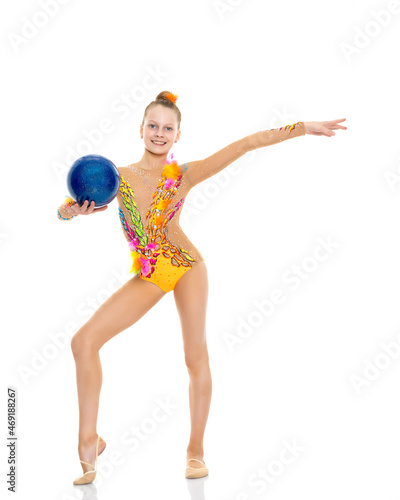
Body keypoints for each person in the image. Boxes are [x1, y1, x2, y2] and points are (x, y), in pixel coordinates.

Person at [57, 91, 347, 483]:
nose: (160, 133)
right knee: (83, 342)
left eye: (168, 128)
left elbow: (244, 145)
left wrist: (301, 128)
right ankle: (88, 441)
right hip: (152, 273)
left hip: (187, 265)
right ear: (140, 130)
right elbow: (66, 207)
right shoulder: (116, 177)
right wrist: (70, 211)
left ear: (178, 135)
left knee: (195, 357)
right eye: (153, 126)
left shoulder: (184, 175)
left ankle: (195, 451)